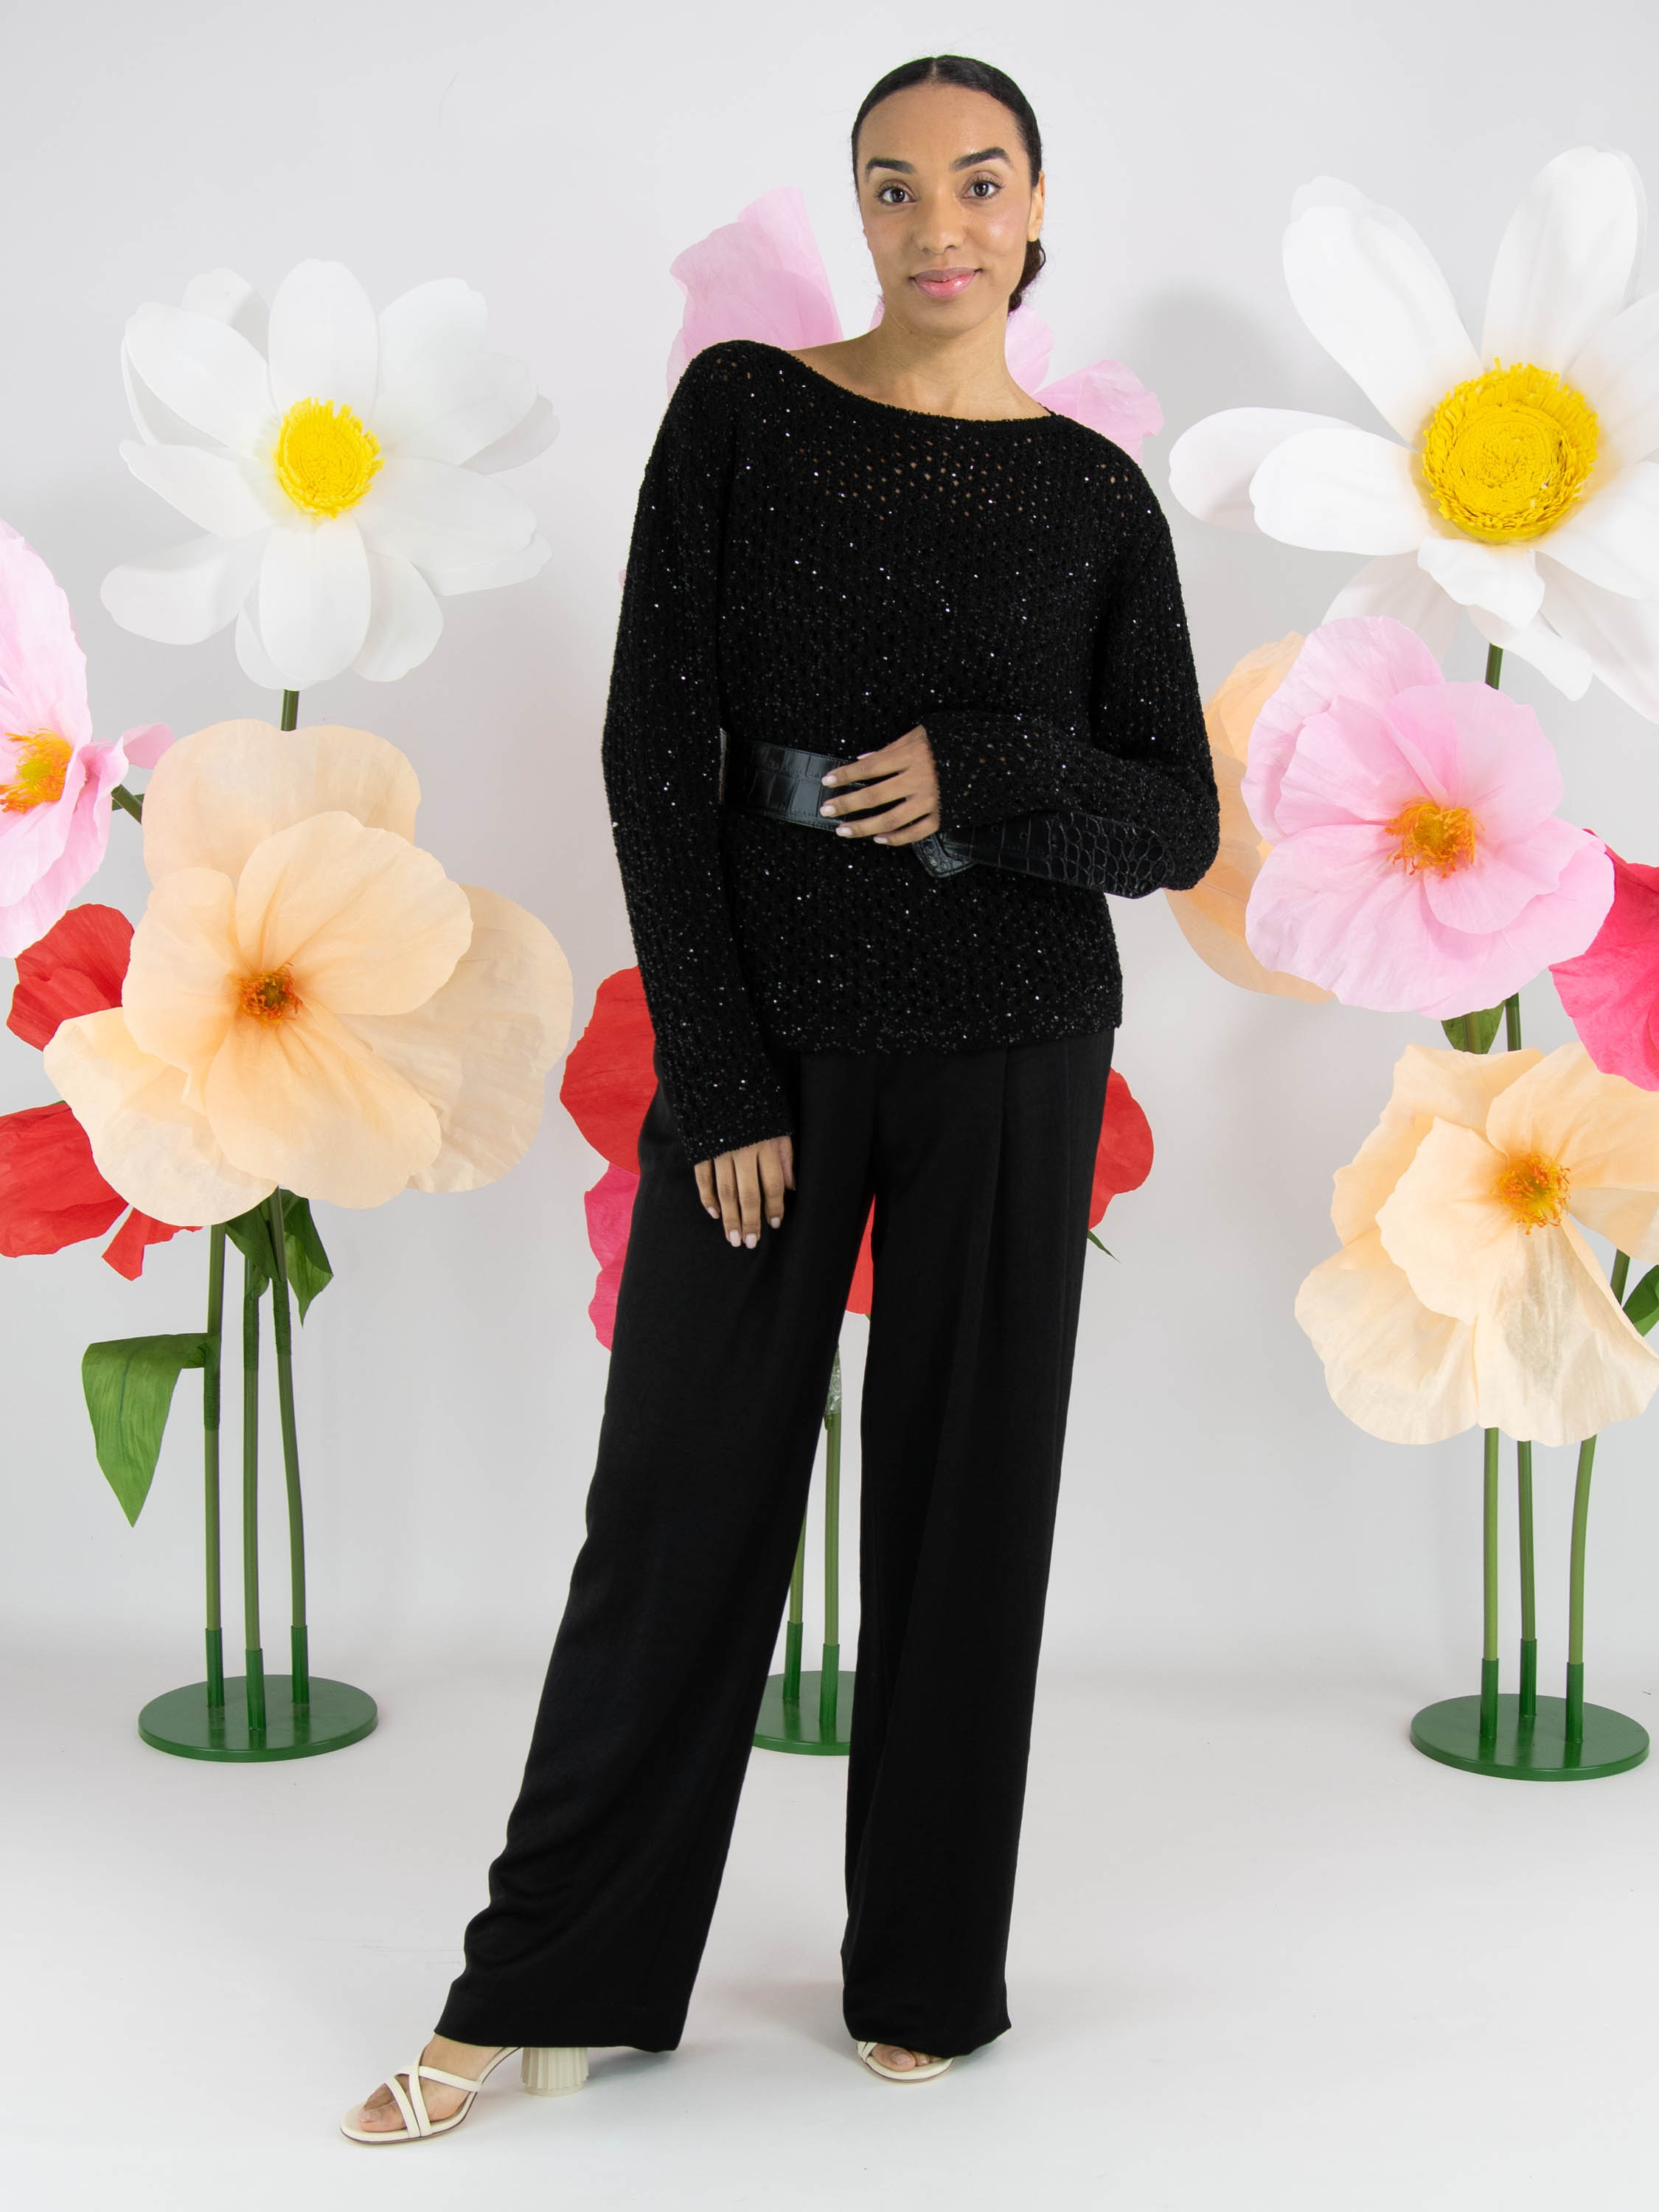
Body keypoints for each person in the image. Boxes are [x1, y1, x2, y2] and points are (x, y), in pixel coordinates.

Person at [342, 50, 1217, 2144]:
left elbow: (1172, 821)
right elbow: (656, 755)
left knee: (967, 1504)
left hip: (1016, 1035)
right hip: (777, 1044)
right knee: (674, 1506)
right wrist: (718, 1074)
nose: (938, 224)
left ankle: (927, 1973)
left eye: (978, 182)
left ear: (1036, 211)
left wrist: (991, 770)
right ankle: (545, 1989)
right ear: (860, 212)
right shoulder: (745, 412)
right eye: (895, 186)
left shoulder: (1094, 497)